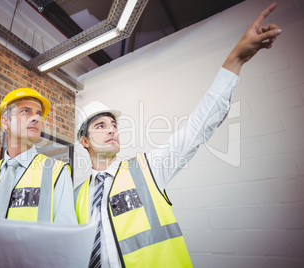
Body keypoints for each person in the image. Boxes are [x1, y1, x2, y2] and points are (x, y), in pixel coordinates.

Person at [74, 2, 281, 268]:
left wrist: (235, 60)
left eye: (112, 124)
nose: (112, 129)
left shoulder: (147, 169)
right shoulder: (76, 195)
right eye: (100, 126)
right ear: (84, 141)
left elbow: (197, 128)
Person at [0, 88, 77, 225]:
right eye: (25, 111)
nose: (36, 118)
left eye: (39, 114)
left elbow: (65, 234)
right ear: (5, 122)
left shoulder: (57, 171)